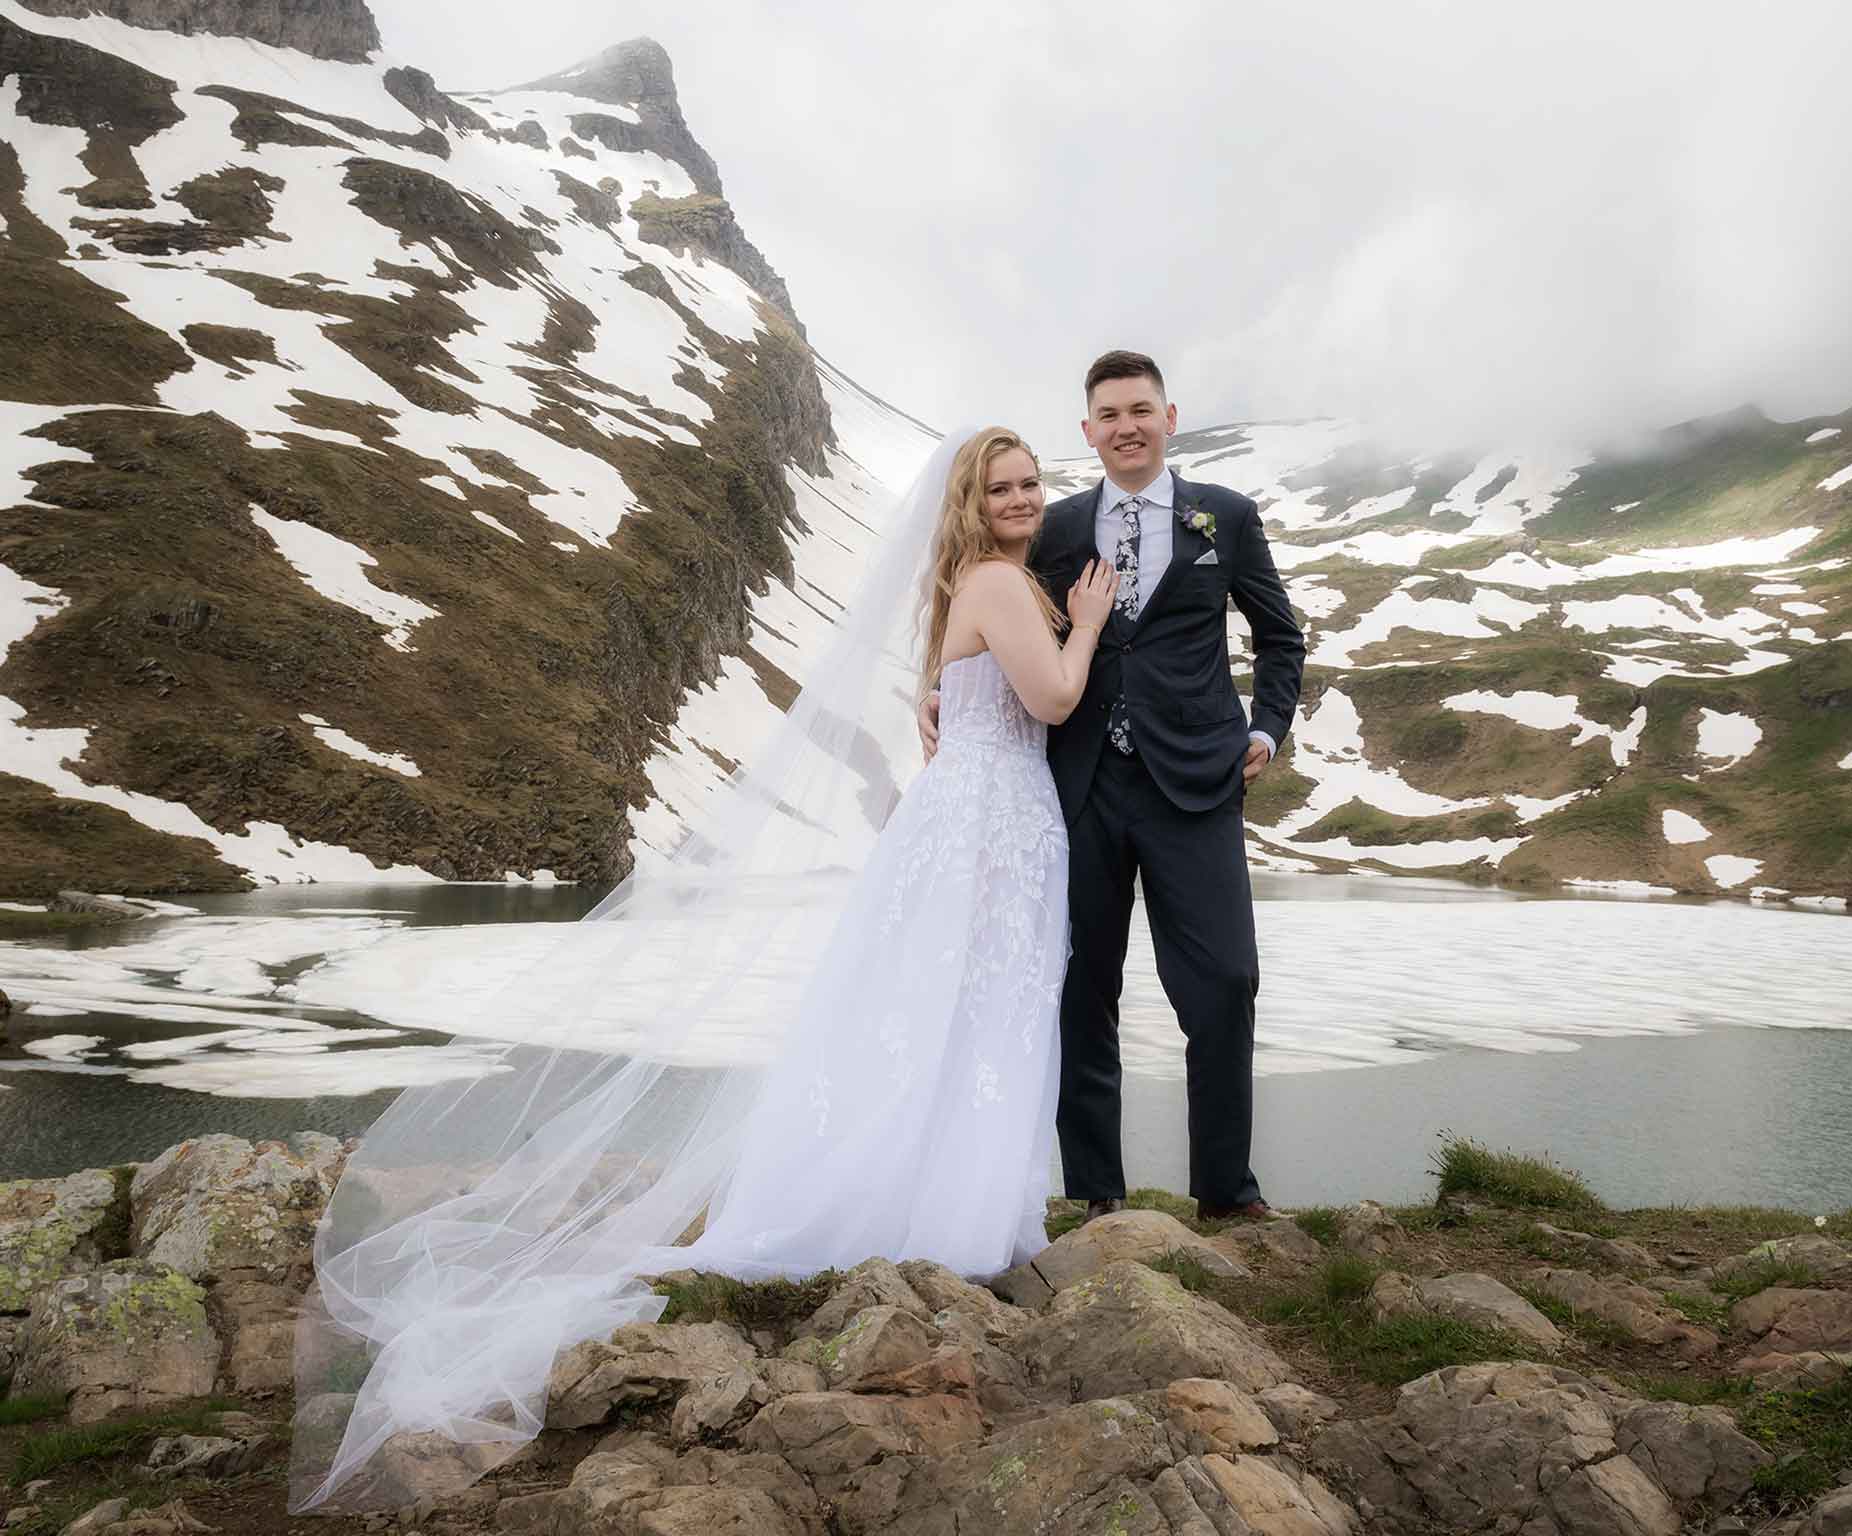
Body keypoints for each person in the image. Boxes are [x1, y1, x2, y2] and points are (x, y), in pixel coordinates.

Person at [291, 427, 1115, 1511]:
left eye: (1030, 483)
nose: (1021, 497)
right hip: (991, 824)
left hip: (980, 817)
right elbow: (1052, 700)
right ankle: (955, 1213)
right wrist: (1090, 625)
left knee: (954, 1016)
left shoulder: (975, 582)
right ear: (972, 500)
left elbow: (968, 710)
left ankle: (944, 1200)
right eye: (1000, 485)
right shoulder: (1007, 584)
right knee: (978, 1014)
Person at [920, 350, 1306, 1221]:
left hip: (1195, 785)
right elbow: (978, 612)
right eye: (1109, 414)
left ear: (1169, 419)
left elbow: (1282, 638)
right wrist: (937, 690)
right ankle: (1097, 1194)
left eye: (1141, 409)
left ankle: (1226, 1193)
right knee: (1078, 989)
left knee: (1225, 982)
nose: (1126, 426)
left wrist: (1266, 728)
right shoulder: (1048, 529)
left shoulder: (1227, 518)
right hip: (1076, 788)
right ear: (1087, 430)